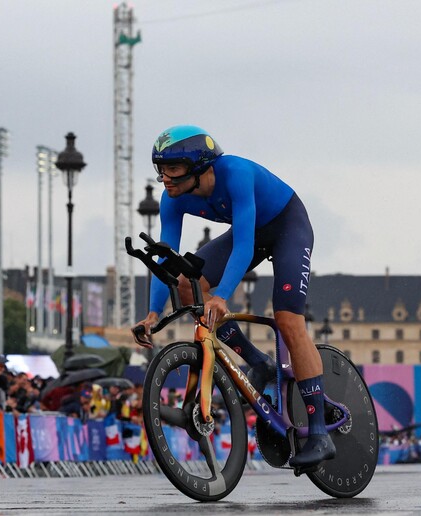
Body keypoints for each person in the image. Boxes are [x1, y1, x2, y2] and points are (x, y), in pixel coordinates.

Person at [133, 125, 334, 469]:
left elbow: (242, 245)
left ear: (199, 167)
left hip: (287, 226)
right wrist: (152, 313)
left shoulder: (236, 173)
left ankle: (320, 434)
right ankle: (260, 364)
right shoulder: (172, 198)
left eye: (173, 169)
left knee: (288, 320)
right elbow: (166, 257)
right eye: (160, 169)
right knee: (186, 285)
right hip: (251, 233)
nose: (164, 178)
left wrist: (221, 295)